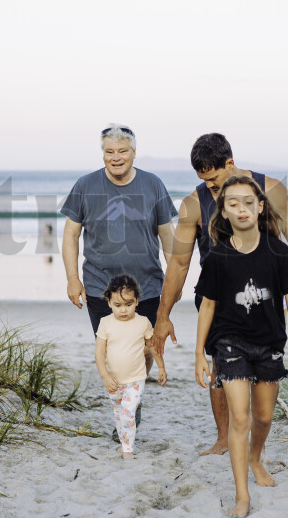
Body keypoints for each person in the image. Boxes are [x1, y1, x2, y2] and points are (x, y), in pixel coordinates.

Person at [152, 133, 288, 455]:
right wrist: (163, 316)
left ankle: (254, 435)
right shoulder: (193, 204)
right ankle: (224, 439)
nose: (212, 188)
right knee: (220, 366)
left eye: (216, 180)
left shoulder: (271, 190)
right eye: (205, 182)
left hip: (264, 294)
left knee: (264, 364)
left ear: (231, 165)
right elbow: (180, 262)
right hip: (217, 296)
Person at [194, 175, 288, 517]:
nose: (241, 209)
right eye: (233, 203)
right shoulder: (217, 257)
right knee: (239, 418)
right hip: (229, 344)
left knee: (263, 417)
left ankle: (255, 457)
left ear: (260, 207)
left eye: (248, 202)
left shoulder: (279, 252)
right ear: (224, 212)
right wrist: (198, 353)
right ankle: (241, 495)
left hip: (269, 344)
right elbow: (208, 306)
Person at [61, 124, 176, 439]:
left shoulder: (153, 185)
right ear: (103, 154)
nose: (116, 157)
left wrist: (176, 280)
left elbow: (168, 237)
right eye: (109, 152)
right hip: (100, 286)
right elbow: (71, 235)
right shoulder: (86, 186)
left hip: (149, 286)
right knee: (114, 354)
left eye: (122, 151)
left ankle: (131, 400)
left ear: (133, 153)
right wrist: (72, 279)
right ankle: (128, 406)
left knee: (148, 349)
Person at [96, 274, 166, 459]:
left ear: (137, 301)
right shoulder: (106, 323)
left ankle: (128, 449)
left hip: (135, 380)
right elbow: (99, 353)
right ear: (109, 302)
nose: (123, 310)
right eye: (118, 305)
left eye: (128, 304)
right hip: (114, 381)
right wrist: (105, 376)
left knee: (128, 412)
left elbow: (152, 346)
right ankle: (124, 443)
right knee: (119, 415)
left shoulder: (142, 322)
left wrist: (161, 367)